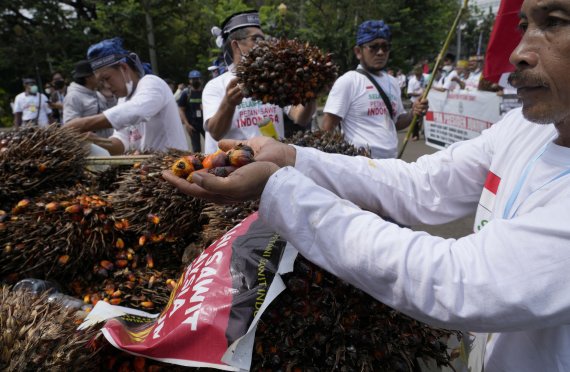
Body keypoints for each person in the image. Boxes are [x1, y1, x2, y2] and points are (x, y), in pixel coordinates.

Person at [163, 0, 570, 370]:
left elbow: (463, 281)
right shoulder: (523, 127)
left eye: (554, 22)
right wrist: (294, 158)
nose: (519, 53)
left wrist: (279, 187)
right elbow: (420, 184)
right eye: (523, 26)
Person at [202, 10, 317, 154]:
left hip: (273, 165)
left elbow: (300, 118)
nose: (264, 45)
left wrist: (312, 94)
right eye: (256, 39)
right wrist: (229, 103)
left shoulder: (274, 81)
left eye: (264, 40)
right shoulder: (215, 86)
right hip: (234, 169)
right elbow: (215, 133)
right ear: (235, 45)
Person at [321, 20, 428, 159]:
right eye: (373, 47)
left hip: (391, 165)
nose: (380, 52)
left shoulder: (393, 82)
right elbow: (326, 129)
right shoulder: (348, 81)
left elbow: (396, 122)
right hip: (359, 167)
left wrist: (413, 113)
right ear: (358, 52)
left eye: (385, 47)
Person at [65, 37, 189, 155]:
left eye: (107, 78)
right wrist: (94, 140)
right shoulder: (123, 100)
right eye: (101, 82)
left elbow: (138, 111)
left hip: (174, 167)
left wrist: (82, 124)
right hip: (149, 170)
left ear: (123, 68)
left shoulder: (152, 83)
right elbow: (121, 143)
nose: (106, 86)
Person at [63, 60, 113, 138]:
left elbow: (113, 112)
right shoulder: (73, 96)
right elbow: (70, 126)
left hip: (109, 142)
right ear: (88, 78)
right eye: (96, 73)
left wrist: (110, 97)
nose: (99, 76)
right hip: (92, 146)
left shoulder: (97, 93)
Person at [178, 70, 205, 152]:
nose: (195, 81)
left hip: (205, 124)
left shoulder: (205, 92)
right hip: (192, 125)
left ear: (201, 79)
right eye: (193, 79)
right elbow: (181, 109)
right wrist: (186, 124)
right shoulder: (186, 93)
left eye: (197, 79)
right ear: (189, 80)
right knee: (196, 149)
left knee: (211, 146)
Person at [406, 64, 425, 141]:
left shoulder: (425, 78)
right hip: (415, 102)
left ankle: (420, 130)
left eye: (420, 74)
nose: (418, 76)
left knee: (422, 119)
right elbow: (409, 93)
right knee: (415, 118)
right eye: (417, 74)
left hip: (424, 101)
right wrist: (420, 94)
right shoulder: (412, 80)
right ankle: (415, 135)